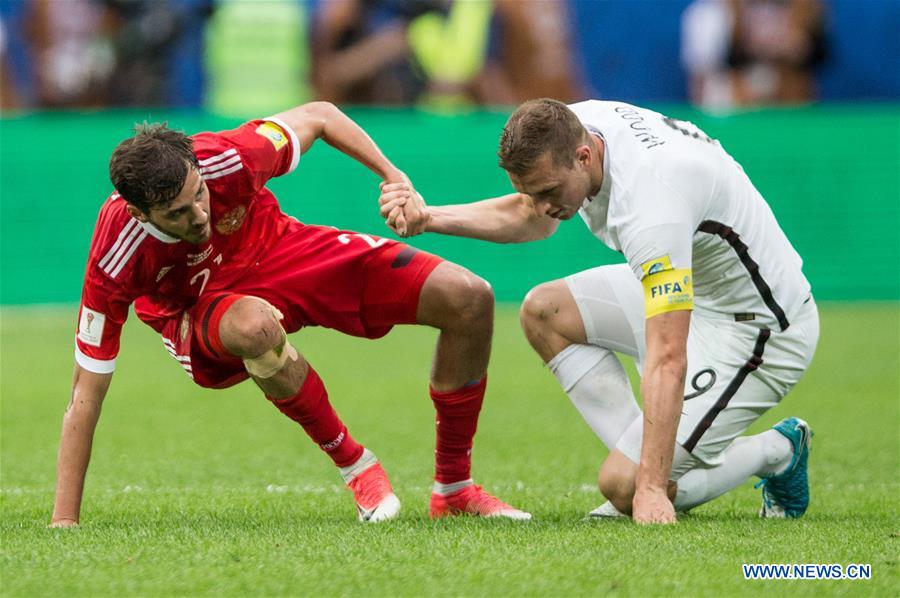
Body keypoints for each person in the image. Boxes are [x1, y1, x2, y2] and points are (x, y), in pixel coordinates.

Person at [50, 101, 531, 527]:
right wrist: (65, 521)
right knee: (254, 328)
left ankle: (454, 490)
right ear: (139, 213)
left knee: (468, 297)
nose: (199, 215)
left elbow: (320, 116)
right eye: (177, 213)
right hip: (202, 311)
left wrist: (393, 176)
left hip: (282, 250)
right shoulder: (116, 255)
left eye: (199, 194)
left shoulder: (228, 157)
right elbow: (85, 393)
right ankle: (356, 466)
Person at [379, 98, 818, 524]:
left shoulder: (652, 205)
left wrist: (650, 486)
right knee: (544, 312)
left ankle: (779, 450)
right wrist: (429, 217)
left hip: (757, 331)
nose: (543, 205)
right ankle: (649, 458)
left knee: (626, 486)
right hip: (696, 287)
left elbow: (668, 356)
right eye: (532, 192)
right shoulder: (573, 127)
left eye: (549, 192)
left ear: (584, 157)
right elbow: (532, 216)